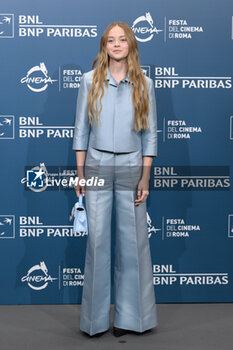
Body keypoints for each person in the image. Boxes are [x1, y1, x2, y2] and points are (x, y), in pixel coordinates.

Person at [72, 21, 158, 337]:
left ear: (131, 44)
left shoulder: (144, 83)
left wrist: (145, 177)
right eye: (111, 40)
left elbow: (150, 134)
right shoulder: (88, 81)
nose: (117, 44)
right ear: (104, 46)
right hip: (96, 165)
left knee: (134, 243)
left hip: (132, 167)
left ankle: (133, 319)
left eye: (122, 39)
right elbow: (81, 129)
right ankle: (93, 322)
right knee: (97, 243)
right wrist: (80, 173)